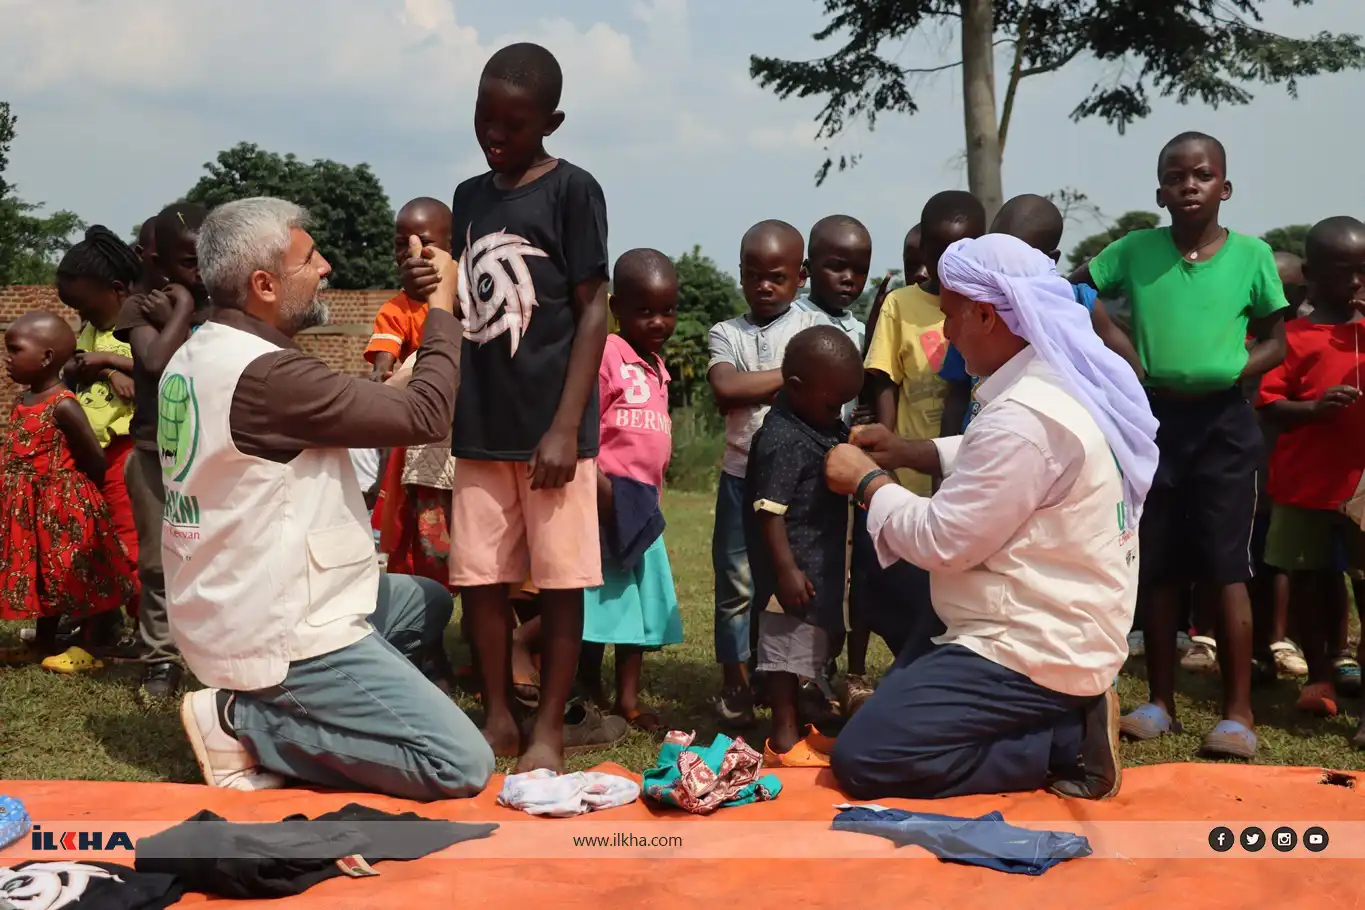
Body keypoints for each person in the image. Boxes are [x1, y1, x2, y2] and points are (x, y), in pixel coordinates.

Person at [165, 196, 493, 799]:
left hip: (223, 607)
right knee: (462, 763)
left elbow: (350, 406)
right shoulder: (270, 377)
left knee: (426, 601)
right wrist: (441, 306)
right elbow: (425, 414)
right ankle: (244, 722)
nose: (326, 268)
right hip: (282, 632)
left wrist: (396, 380)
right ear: (263, 283)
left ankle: (327, 700)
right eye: (310, 258)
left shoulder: (201, 353)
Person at [825, 233, 1159, 801]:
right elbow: (999, 459)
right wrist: (910, 451)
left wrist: (866, 482)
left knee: (866, 757)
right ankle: (1054, 716)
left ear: (986, 314)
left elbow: (943, 539)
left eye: (952, 316)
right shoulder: (1058, 380)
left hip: (1032, 642)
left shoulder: (1026, 417)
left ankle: (1064, 739)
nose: (948, 334)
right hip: (1046, 619)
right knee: (896, 700)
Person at [401, 43, 621, 772]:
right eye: (483, 118)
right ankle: (497, 716)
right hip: (482, 427)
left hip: (552, 435)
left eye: (514, 124)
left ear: (550, 121)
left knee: (558, 586)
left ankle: (549, 729)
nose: (495, 135)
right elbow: (467, 301)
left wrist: (566, 425)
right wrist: (430, 275)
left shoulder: (573, 191)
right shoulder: (468, 197)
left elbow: (594, 311)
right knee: (481, 582)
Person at [1072, 131, 1289, 759]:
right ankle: (1159, 702)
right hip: (1154, 421)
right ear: (1159, 190)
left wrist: (1234, 369)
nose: (1188, 186)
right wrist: (1123, 352)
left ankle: (1239, 713)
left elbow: (1275, 341)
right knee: (1159, 567)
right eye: (1175, 176)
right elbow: (1078, 292)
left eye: (1201, 175)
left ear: (1225, 187)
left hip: (1224, 425)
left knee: (1227, 568)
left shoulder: (1252, 255)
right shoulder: (1134, 250)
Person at [706, 219, 828, 727]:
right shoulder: (725, 333)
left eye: (776, 276)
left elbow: (829, 390)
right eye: (752, 274)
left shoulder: (813, 330)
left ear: (800, 277)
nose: (763, 285)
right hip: (740, 477)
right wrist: (793, 376)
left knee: (794, 584)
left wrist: (786, 379)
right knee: (737, 585)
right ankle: (737, 682)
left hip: (800, 488)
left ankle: (802, 677)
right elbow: (726, 390)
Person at [861, 191, 984, 661]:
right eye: (938, 253)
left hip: (973, 471)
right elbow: (885, 377)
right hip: (910, 471)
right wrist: (888, 452)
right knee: (908, 586)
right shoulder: (900, 304)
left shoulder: (996, 305)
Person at [1257, 216, 1365, 721]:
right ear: (1311, 272)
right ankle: (1319, 674)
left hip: (1359, 486)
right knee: (1306, 580)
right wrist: (1314, 409)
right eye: (1346, 272)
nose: (1358, 282)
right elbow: (1268, 405)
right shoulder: (1292, 337)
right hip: (1303, 484)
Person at [747, 326, 863, 764]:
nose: (838, 414)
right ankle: (782, 739)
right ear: (796, 389)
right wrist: (785, 571)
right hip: (790, 568)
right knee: (782, 653)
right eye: (833, 404)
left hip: (817, 564)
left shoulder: (817, 424)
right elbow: (768, 510)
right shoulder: (783, 439)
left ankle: (800, 723)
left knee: (808, 649)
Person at [578, 249, 684, 731]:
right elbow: (585, 429)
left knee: (639, 609)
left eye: (668, 310)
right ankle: (584, 683)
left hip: (645, 506)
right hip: (605, 500)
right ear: (617, 308)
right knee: (600, 605)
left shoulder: (658, 365)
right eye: (645, 311)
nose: (659, 321)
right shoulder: (605, 352)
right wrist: (601, 492)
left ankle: (628, 700)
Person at [114, 203, 211, 698]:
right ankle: (161, 658)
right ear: (163, 263)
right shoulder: (140, 305)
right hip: (157, 448)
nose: (202, 270)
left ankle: (215, 654)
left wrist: (185, 311)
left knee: (216, 555)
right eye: (190, 261)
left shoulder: (227, 302)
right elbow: (153, 361)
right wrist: (185, 313)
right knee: (157, 563)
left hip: (217, 450)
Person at [0, 312, 135, 663]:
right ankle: (43, 642)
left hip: (63, 506)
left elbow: (95, 457)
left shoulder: (64, 405)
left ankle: (88, 646)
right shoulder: (25, 400)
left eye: (15, 349)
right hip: (32, 507)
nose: (8, 358)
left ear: (46, 357)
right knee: (45, 575)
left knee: (74, 576)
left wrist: (71, 491)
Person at [50, 226, 143, 670]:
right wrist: (103, 371)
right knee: (92, 544)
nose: (78, 312)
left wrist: (113, 363)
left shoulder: (137, 329)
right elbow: (72, 364)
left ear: (118, 289)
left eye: (82, 303)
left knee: (130, 546)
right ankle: (97, 630)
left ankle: (149, 634)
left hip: (127, 454)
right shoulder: (91, 330)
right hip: (93, 455)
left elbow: (161, 365)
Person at [939, 194, 1103, 435]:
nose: (1000, 265)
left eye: (1016, 255)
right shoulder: (972, 315)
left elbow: (1124, 374)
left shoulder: (1077, 304)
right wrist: (940, 460)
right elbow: (956, 395)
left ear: (1050, 258)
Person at [793, 215, 871, 709]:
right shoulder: (792, 322)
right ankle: (785, 671)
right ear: (808, 269)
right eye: (836, 266)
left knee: (833, 573)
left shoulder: (862, 330)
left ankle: (823, 668)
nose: (848, 279)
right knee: (792, 573)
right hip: (797, 469)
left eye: (858, 270)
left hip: (839, 467)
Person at [369, 198, 458, 586]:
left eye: (422, 242)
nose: (411, 252)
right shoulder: (397, 309)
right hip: (425, 449)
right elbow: (382, 365)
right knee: (430, 540)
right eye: (401, 243)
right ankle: (429, 624)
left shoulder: (467, 298)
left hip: (470, 441)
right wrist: (384, 375)